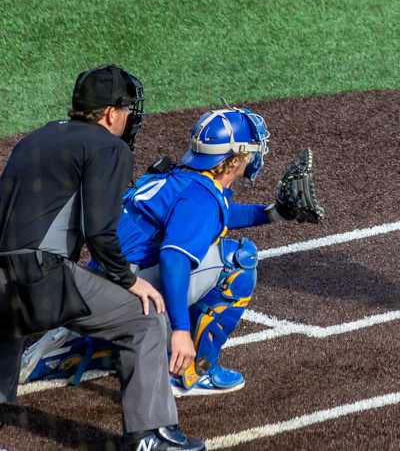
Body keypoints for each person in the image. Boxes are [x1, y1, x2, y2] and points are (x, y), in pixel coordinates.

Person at [0, 65, 204, 450]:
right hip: (35, 277)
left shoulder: (39, 135)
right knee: (145, 318)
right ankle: (150, 435)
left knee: (7, 309)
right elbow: (99, 232)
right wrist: (129, 281)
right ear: (111, 113)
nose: (130, 117)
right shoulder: (108, 147)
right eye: (127, 109)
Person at [21, 106, 323, 397]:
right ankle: (189, 371)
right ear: (234, 159)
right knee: (237, 261)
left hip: (96, 283)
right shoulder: (201, 198)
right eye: (252, 149)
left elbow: (220, 214)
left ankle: (89, 341)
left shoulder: (173, 178)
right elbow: (174, 259)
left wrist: (274, 213)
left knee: (200, 249)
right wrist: (180, 330)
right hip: (128, 292)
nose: (257, 154)